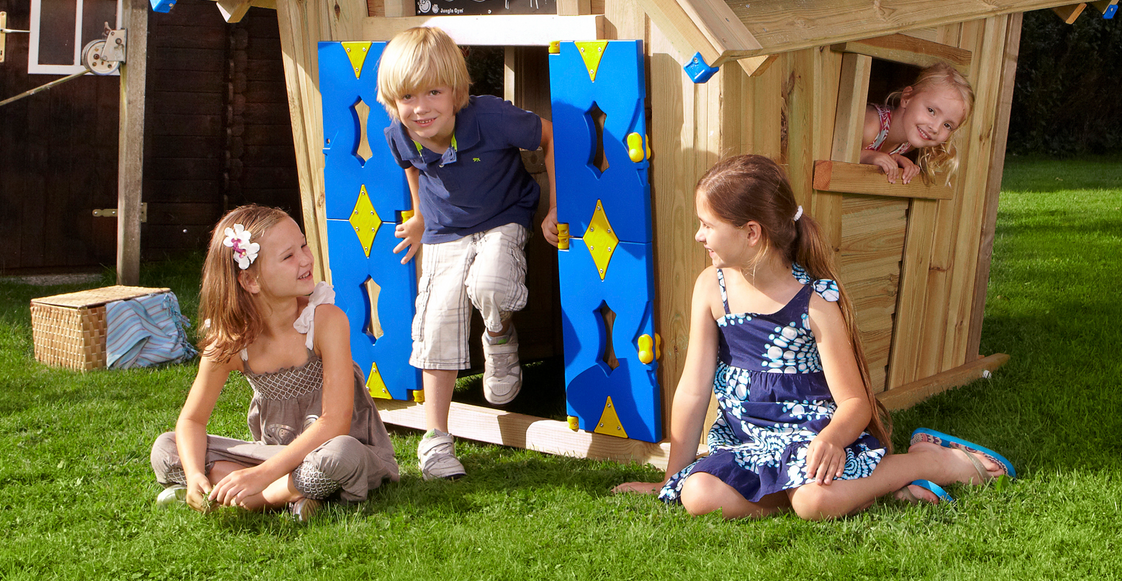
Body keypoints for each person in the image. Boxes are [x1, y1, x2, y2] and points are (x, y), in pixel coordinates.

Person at [614, 154, 1012, 519]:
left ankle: (930, 462)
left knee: (813, 503)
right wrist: (670, 479)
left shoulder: (814, 303)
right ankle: (865, 491)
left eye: (707, 225)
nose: (699, 236)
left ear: (751, 232)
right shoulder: (710, 288)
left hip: (812, 438)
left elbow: (854, 402)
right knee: (697, 495)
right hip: (746, 440)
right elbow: (693, 390)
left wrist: (833, 440)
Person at [376, 26, 559, 481]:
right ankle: (436, 438)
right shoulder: (400, 134)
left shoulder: (492, 117)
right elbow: (411, 167)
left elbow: (550, 136)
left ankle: (499, 335)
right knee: (436, 323)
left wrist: (557, 205)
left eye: (433, 92)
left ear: (457, 91)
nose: (421, 108)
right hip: (444, 231)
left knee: (491, 284)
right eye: (407, 96)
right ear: (393, 100)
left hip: (504, 216)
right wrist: (419, 216)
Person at [151, 205, 398, 519]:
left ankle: (253, 497)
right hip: (274, 456)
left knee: (341, 454)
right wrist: (194, 472)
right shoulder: (230, 341)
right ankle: (293, 492)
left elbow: (335, 423)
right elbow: (192, 421)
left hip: (336, 446)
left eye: (303, 246)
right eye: (288, 256)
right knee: (167, 448)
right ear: (250, 280)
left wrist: (260, 475)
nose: (306, 259)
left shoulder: (325, 320)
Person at [860, 61, 975, 187]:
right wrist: (867, 157)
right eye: (931, 111)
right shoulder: (870, 126)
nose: (935, 128)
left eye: (947, 125)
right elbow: (842, 151)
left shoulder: (910, 143)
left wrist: (894, 158)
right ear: (907, 98)